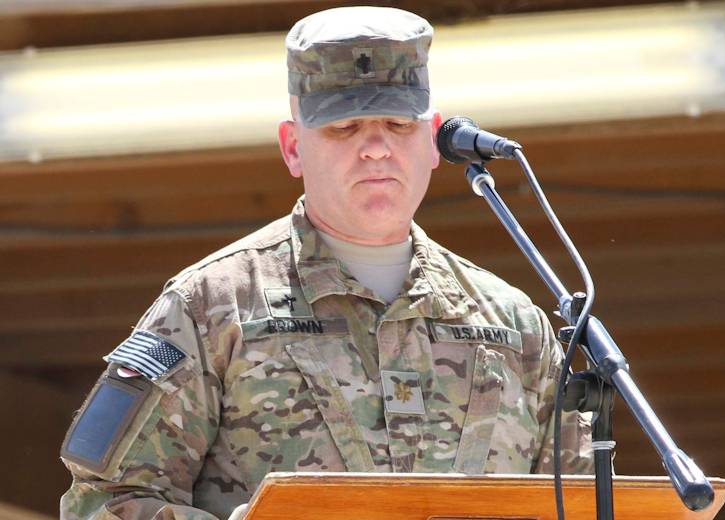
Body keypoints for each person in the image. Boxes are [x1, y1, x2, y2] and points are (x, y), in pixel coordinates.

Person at [60, 6, 593, 519]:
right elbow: (102, 505)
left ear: (434, 141)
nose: (377, 148)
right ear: (293, 147)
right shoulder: (210, 308)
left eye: (397, 125)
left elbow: (586, 505)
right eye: (345, 128)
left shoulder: (513, 324)